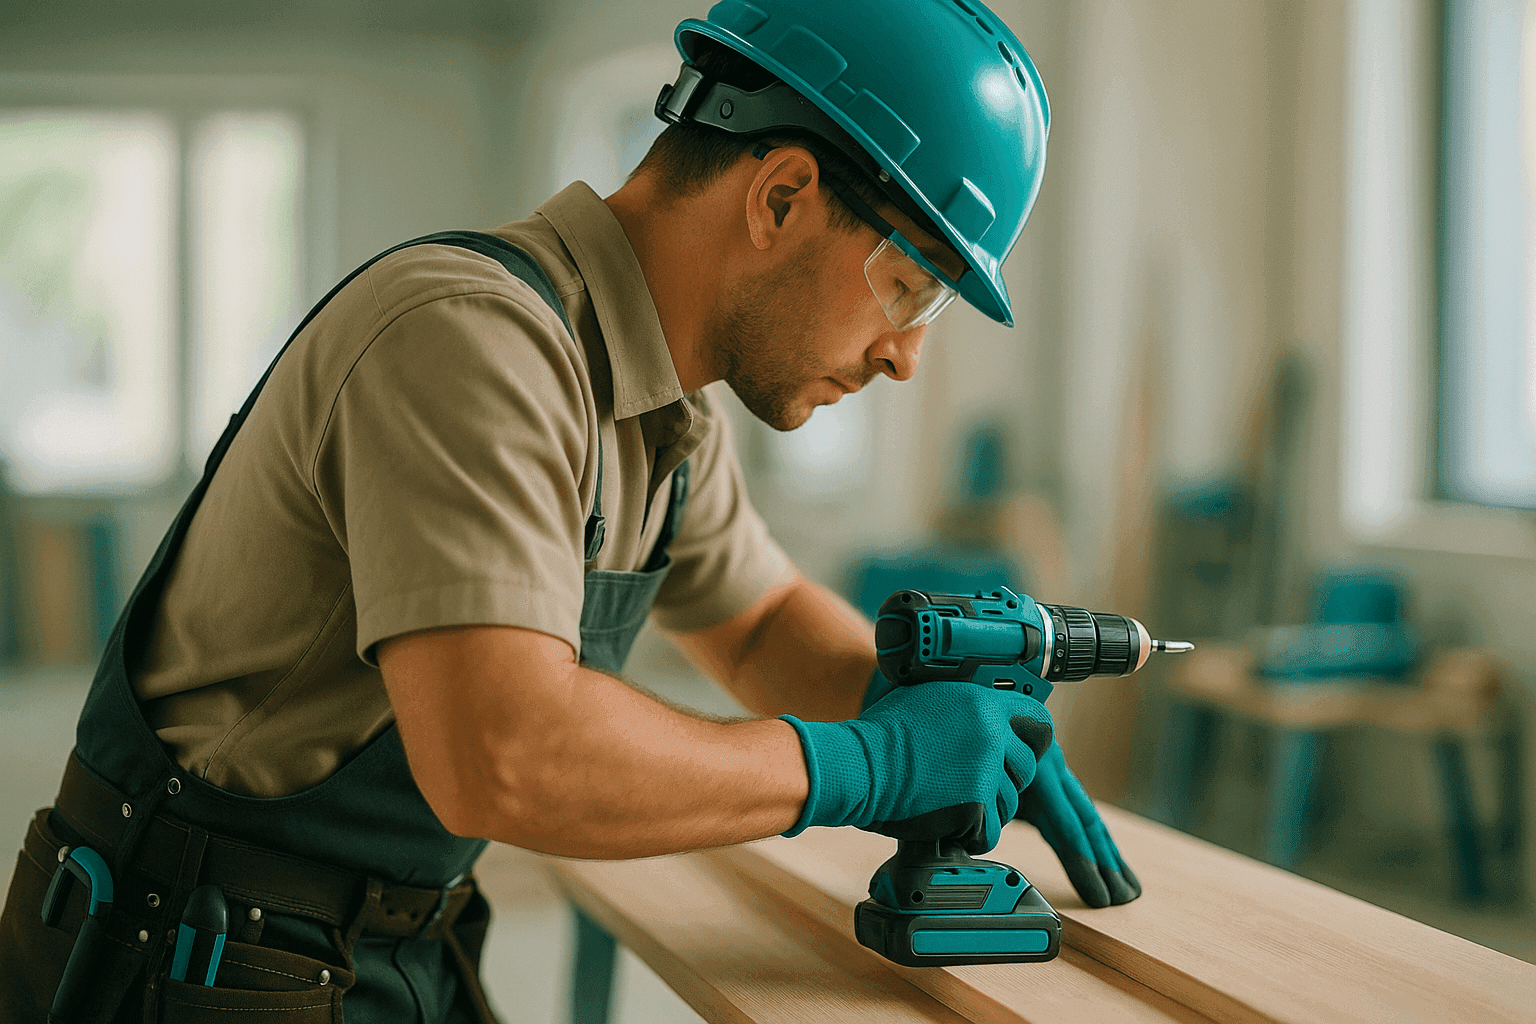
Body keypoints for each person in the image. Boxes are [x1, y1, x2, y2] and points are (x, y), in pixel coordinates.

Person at [0, 1, 1138, 1020]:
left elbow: (753, 616)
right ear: (782, 194)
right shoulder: (469, 344)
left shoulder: (669, 412)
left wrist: (910, 703)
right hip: (186, 965)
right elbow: (508, 753)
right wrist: (869, 766)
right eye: (911, 286)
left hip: (381, 946)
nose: (903, 355)